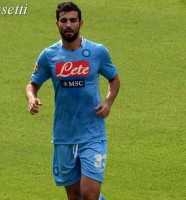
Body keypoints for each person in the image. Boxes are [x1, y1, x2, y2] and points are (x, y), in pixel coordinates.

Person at [25, 2, 120, 200]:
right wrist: (32, 99)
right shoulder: (49, 55)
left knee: (89, 195)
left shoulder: (97, 52)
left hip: (93, 134)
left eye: (73, 20)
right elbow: (32, 84)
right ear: (57, 24)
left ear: (81, 23)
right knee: (74, 196)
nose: (69, 25)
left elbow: (114, 78)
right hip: (63, 135)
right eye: (64, 20)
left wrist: (108, 101)